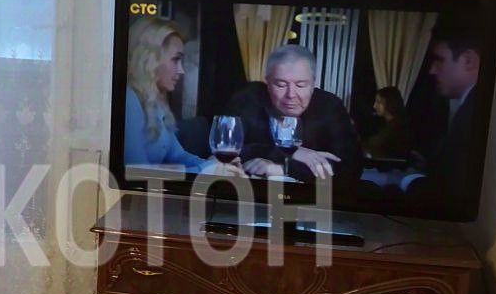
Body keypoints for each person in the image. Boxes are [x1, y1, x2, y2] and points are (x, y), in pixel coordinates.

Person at [226, 44, 363, 183]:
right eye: (281, 85)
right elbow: (225, 148)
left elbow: (350, 166)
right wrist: (289, 152)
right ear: (267, 82)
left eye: (300, 85)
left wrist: (284, 168)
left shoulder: (329, 106)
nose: (291, 95)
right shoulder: (248, 99)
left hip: (310, 194)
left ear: (313, 84)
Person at [124, 16, 239, 175]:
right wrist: (206, 170)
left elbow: (178, 156)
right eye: (175, 60)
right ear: (150, 59)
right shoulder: (129, 99)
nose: (181, 70)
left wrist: (216, 166)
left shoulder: (156, 102)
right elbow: (137, 173)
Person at [420, 30, 482, 193]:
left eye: (440, 60)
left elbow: (451, 189)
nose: (432, 70)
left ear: (468, 61)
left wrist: (409, 182)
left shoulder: (474, 114)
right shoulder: (472, 106)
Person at [363, 86, 415, 160]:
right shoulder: (387, 124)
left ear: (390, 103)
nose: (374, 106)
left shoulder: (398, 128)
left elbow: (376, 146)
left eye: (379, 102)